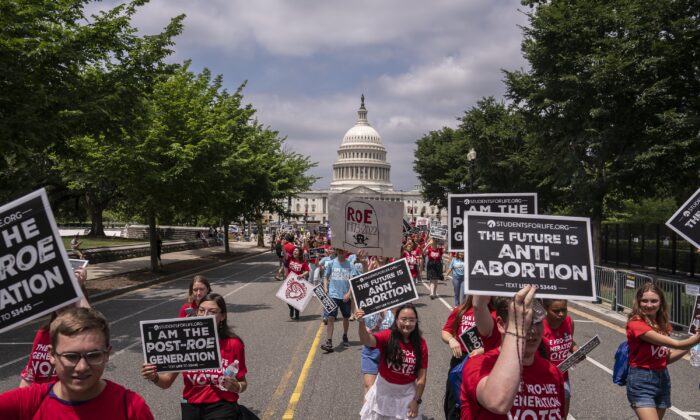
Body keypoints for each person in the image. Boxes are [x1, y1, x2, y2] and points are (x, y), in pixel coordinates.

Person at [0, 307, 154, 419]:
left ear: (107, 354)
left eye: (93, 355)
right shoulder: (27, 403)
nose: (82, 367)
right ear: (51, 355)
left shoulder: (132, 409)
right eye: (71, 356)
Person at [460, 286, 566, 419]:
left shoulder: (553, 373)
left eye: (537, 323)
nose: (532, 330)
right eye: (526, 323)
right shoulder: (478, 365)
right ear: (501, 324)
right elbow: (498, 402)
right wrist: (518, 330)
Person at [142, 293, 248, 420]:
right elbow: (166, 382)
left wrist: (237, 387)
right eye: (202, 310)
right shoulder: (185, 344)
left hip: (222, 406)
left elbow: (243, 382)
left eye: (212, 312)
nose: (205, 315)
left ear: (222, 316)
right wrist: (153, 376)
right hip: (191, 407)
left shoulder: (234, 344)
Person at [625, 283, 700, 420]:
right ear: (638, 302)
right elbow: (677, 343)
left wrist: (691, 345)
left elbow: (665, 358)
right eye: (644, 301)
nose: (649, 305)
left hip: (662, 378)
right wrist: (694, 340)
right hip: (641, 379)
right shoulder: (636, 324)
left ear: (661, 302)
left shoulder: (663, 325)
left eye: (654, 301)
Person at [19, 268, 90, 388]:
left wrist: (77, 286)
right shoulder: (43, 333)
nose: (65, 304)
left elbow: (91, 323)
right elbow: (29, 375)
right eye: (60, 298)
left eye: (71, 298)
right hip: (39, 400)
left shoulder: (82, 336)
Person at [356, 303, 428, 420]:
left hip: (407, 394)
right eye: (403, 319)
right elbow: (366, 340)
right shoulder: (388, 335)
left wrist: (416, 400)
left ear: (416, 321)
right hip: (383, 392)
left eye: (411, 320)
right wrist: (361, 322)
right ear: (396, 320)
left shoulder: (421, 343)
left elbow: (422, 377)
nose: (407, 323)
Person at [320, 248, 367, 353]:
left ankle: (345, 335)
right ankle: (329, 341)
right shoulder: (331, 263)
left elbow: (352, 280)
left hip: (345, 296)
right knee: (330, 317)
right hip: (333, 295)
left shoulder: (350, 265)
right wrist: (326, 288)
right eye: (339, 250)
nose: (341, 251)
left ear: (346, 252)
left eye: (343, 250)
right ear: (336, 251)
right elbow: (326, 277)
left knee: (346, 317)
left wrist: (349, 293)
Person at [541, 299, 578, 418]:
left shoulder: (569, 321)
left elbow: (570, 341)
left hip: (563, 376)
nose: (561, 314)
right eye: (556, 311)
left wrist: (576, 350)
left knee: (562, 414)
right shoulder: (539, 326)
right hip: (544, 378)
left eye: (564, 310)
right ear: (546, 309)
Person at [286, 246, 309, 320]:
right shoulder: (290, 259)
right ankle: (291, 308)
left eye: (297, 251)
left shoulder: (303, 262)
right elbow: (284, 253)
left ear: (300, 253)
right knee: (287, 298)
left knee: (297, 298)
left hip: (298, 282)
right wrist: (282, 244)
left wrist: (302, 275)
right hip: (289, 281)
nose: (295, 252)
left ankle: (297, 313)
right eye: (294, 251)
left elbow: (307, 271)